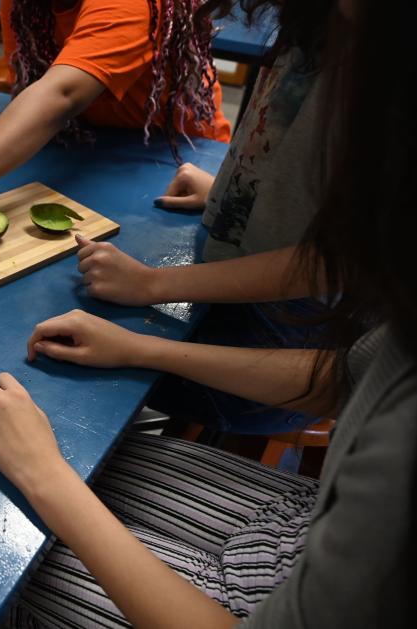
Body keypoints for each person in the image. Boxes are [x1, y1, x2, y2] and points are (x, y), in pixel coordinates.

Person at [0, 0, 415, 624]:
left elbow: (328, 261)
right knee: (101, 466)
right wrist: (139, 347)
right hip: (297, 529)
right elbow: (345, 375)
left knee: (11, 575)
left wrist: (48, 480)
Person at [74, 0, 337, 434]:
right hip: (239, 300)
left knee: (75, 368)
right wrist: (233, 195)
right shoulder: (319, 23)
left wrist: (151, 285)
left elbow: (334, 264)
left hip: (277, 351)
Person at [0, 0, 233, 271]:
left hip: (175, 160)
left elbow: (61, 96)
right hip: (87, 146)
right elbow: (38, 91)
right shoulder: (25, 6)